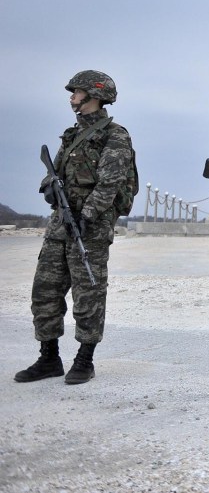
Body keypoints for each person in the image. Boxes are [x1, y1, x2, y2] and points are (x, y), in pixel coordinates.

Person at [15, 70, 136, 385]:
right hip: (59, 227)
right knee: (45, 292)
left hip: (90, 230)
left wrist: (88, 214)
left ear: (93, 95)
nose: (71, 97)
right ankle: (48, 358)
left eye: (76, 92)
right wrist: (49, 188)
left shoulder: (115, 135)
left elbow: (111, 182)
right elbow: (54, 173)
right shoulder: (70, 136)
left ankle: (84, 360)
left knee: (89, 295)